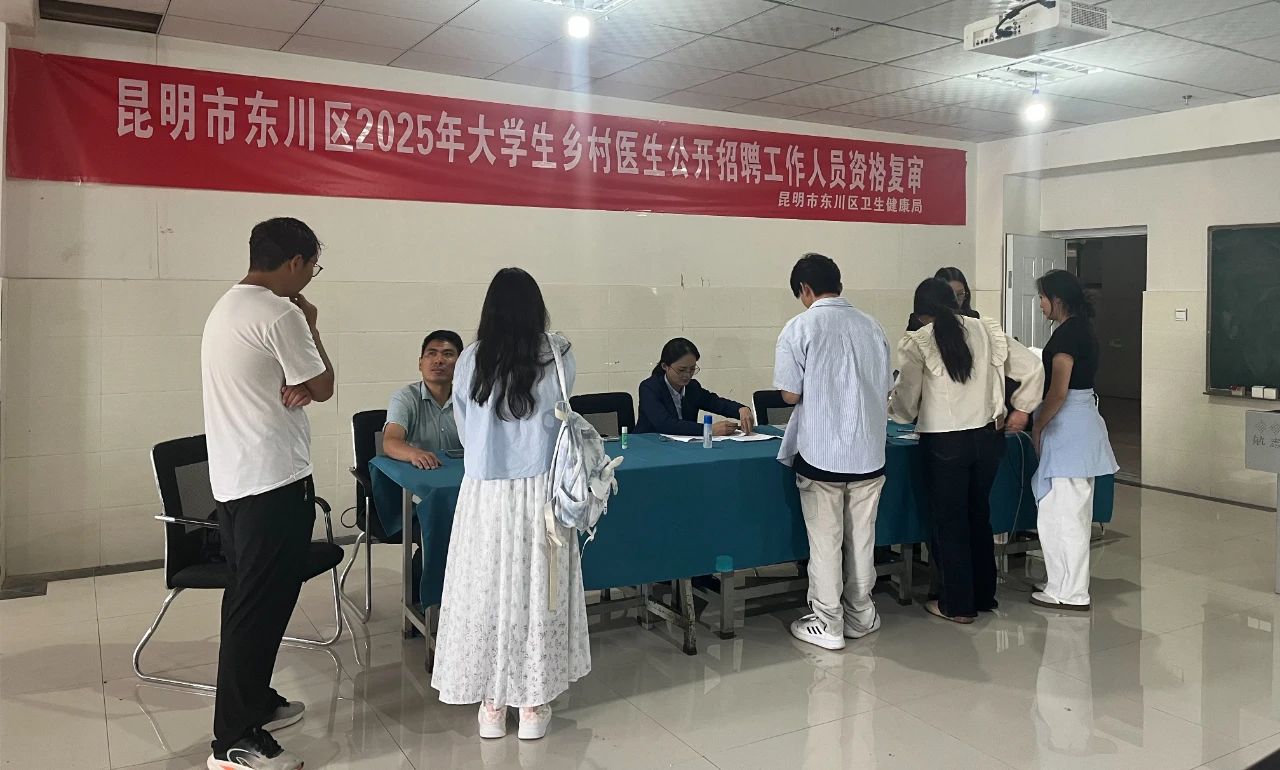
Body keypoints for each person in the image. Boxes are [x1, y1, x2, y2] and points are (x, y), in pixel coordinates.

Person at [431, 268, 590, 741]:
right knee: (540, 591)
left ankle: (492, 704)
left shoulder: (471, 358)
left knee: (486, 591)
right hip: (542, 489)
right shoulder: (558, 353)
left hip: (486, 492)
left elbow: (465, 426)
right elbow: (562, 413)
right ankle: (533, 704)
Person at [202, 218, 334, 770]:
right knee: (255, 612)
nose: (308, 279)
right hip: (272, 484)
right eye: (312, 268)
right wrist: (313, 326)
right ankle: (233, 742)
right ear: (295, 262)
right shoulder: (281, 313)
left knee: (254, 602)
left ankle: (255, 702)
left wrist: (297, 378)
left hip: (237, 485)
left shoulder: (227, 307)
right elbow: (323, 386)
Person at [890, 278, 1044, 623]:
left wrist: (897, 413)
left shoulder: (919, 340)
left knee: (949, 521)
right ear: (956, 303)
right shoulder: (985, 329)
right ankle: (984, 595)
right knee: (978, 514)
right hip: (988, 438)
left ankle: (956, 605)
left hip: (944, 442)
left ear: (920, 314)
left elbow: (906, 399)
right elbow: (1033, 366)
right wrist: (1022, 408)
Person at [775, 253, 893, 651]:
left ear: (805, 289)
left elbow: (790, 394)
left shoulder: (800, 326)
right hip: (869, 454)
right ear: (838, 284)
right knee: (862, 540)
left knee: (825, 542)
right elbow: (884, 386)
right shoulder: (872, 326)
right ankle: (861, 614)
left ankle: (828, 622)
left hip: (821, 454)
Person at [1030, 269, 1119, 612]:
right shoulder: (1082, 329)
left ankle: (1069, 591)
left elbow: (1058, 391)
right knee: (1069, 513)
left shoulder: (1068, 336)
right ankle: (1062, 583)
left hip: (1069, 428)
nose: (1040, 304)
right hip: (1080, 427)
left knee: (1063, 516)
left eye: (1042, 298)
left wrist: (1038, 425)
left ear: (1057, 299)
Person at [635, 337, 755, 436]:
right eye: (681, 370)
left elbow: (715, 402)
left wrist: (741, 409)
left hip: (683, 446)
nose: (687, 375)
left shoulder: (692, 387)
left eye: (692, 369)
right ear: (665, 366)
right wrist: (709, 429)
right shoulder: (649, 388)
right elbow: (665, 424)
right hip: (650, 445)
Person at [383, 330, 465, 470]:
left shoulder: (469, 399)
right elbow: (390, 441)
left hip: (461, 475)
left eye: (448, 354)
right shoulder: (405, 397)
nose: (438, 360)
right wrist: (414, 454)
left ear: (461, 364)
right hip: (420, 474)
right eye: (431, 353)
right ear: (420, 363)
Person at [907, 266, 978, 332]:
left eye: (960, 294)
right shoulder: (922, 319)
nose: (956, 301)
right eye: (950, 295)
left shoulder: (972, 319)